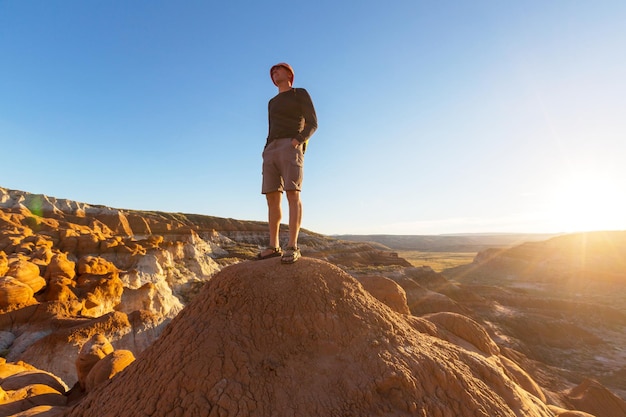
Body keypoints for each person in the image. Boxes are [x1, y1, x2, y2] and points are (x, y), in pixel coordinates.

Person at [257, 62, 317, 263]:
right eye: (272, 72)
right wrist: (266, 148)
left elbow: (312, 123)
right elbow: (270, 127)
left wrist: (297, 141)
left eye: (278, 70)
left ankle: (292, 246)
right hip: (271, 148)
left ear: (289, 74)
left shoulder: (299, 93)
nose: (274, 73)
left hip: (291, 146)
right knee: (272, 198)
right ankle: (273, 246)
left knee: (292, 193)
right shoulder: (271, 102)